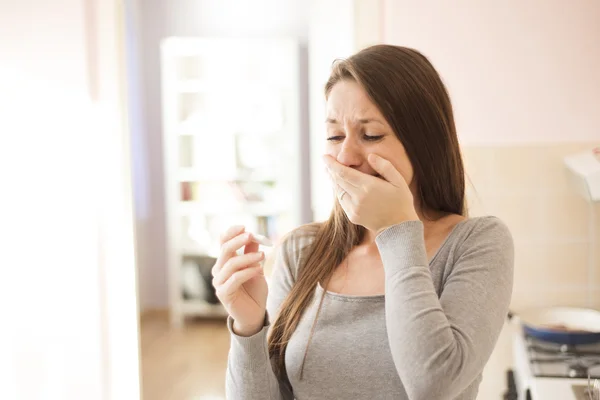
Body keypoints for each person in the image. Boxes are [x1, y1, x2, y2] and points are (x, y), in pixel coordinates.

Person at [211, 44, 514, 400]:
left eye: (370, 135)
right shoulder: (301, 250)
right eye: (335, 135)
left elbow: (433, 384)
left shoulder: (477, 243)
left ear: (425, 143)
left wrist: (397, 230)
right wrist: (249, 327)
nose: (345, 156)